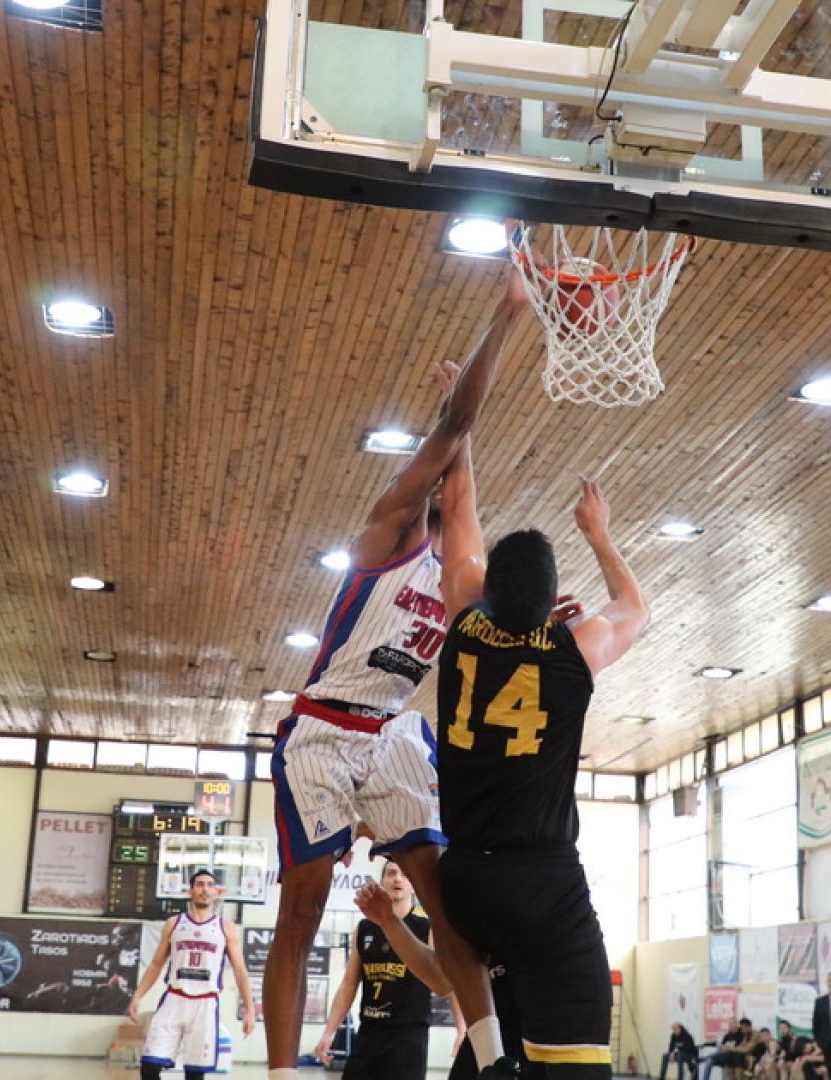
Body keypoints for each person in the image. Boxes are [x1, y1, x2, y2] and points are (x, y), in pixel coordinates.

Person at [267, 277, 530, 1080]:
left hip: (390, 732)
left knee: (446, 900)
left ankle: (492, 1062)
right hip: (324, 726)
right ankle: (278, 1073)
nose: (454, 492)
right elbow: (454, 430)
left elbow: (464, 465)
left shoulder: (462, 579)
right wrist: (504, 317)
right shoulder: (390, 530)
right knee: (303, 906)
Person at [433, 473, 650, 1080]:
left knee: (498, 1047)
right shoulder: (576, 648)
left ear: (489, 591)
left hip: (465, 882)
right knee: (578, 1060)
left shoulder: (462, 625)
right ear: (551, 596)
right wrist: (599, 535)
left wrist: (461, 434)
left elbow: (459, 513)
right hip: (541, 888)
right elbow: (633, 608)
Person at [316, 862, 456, 1080]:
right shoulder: (364, 928)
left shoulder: (426, 928)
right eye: (391, 873)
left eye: (405, 874)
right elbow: (348, 984)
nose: (397, 879)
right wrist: (328, 1031)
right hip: (369, 1031)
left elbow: (449, 984)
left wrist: (462, 1029)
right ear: (382, 882)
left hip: (408, 1037)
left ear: (413, 885)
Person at [129, 869, 257, 1080]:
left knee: (195, 1075)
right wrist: (137, 995)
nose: (205, 889)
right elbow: (156, 964)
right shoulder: (174, 923)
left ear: (216, 892)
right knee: (149, 1066)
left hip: (205, 1004)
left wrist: (249, 1010)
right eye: (199, 884)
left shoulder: (226, 927)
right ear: (190, 891)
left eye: (209, 884)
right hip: (174, 999)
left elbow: (240, 970)